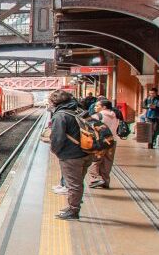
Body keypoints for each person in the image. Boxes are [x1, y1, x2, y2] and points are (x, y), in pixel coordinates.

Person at [48, 89, 94, 220]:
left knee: (73, 184)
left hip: (71, 155)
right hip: (86, 152)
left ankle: (73, 211)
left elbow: (57, 138)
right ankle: (73, 205)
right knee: (78, 182)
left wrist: (55, 150)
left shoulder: (60, 115)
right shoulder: (79, 110)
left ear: (55, 101)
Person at [89, 99, 119, 189]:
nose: (95, 107)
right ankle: (105, 181)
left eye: (97, 106)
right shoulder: (115, 115)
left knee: (95, 160)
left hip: (100, 142)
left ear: (104, 107)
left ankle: (95, 179)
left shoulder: (98, 116)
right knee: (108, 161)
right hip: (112, 141)